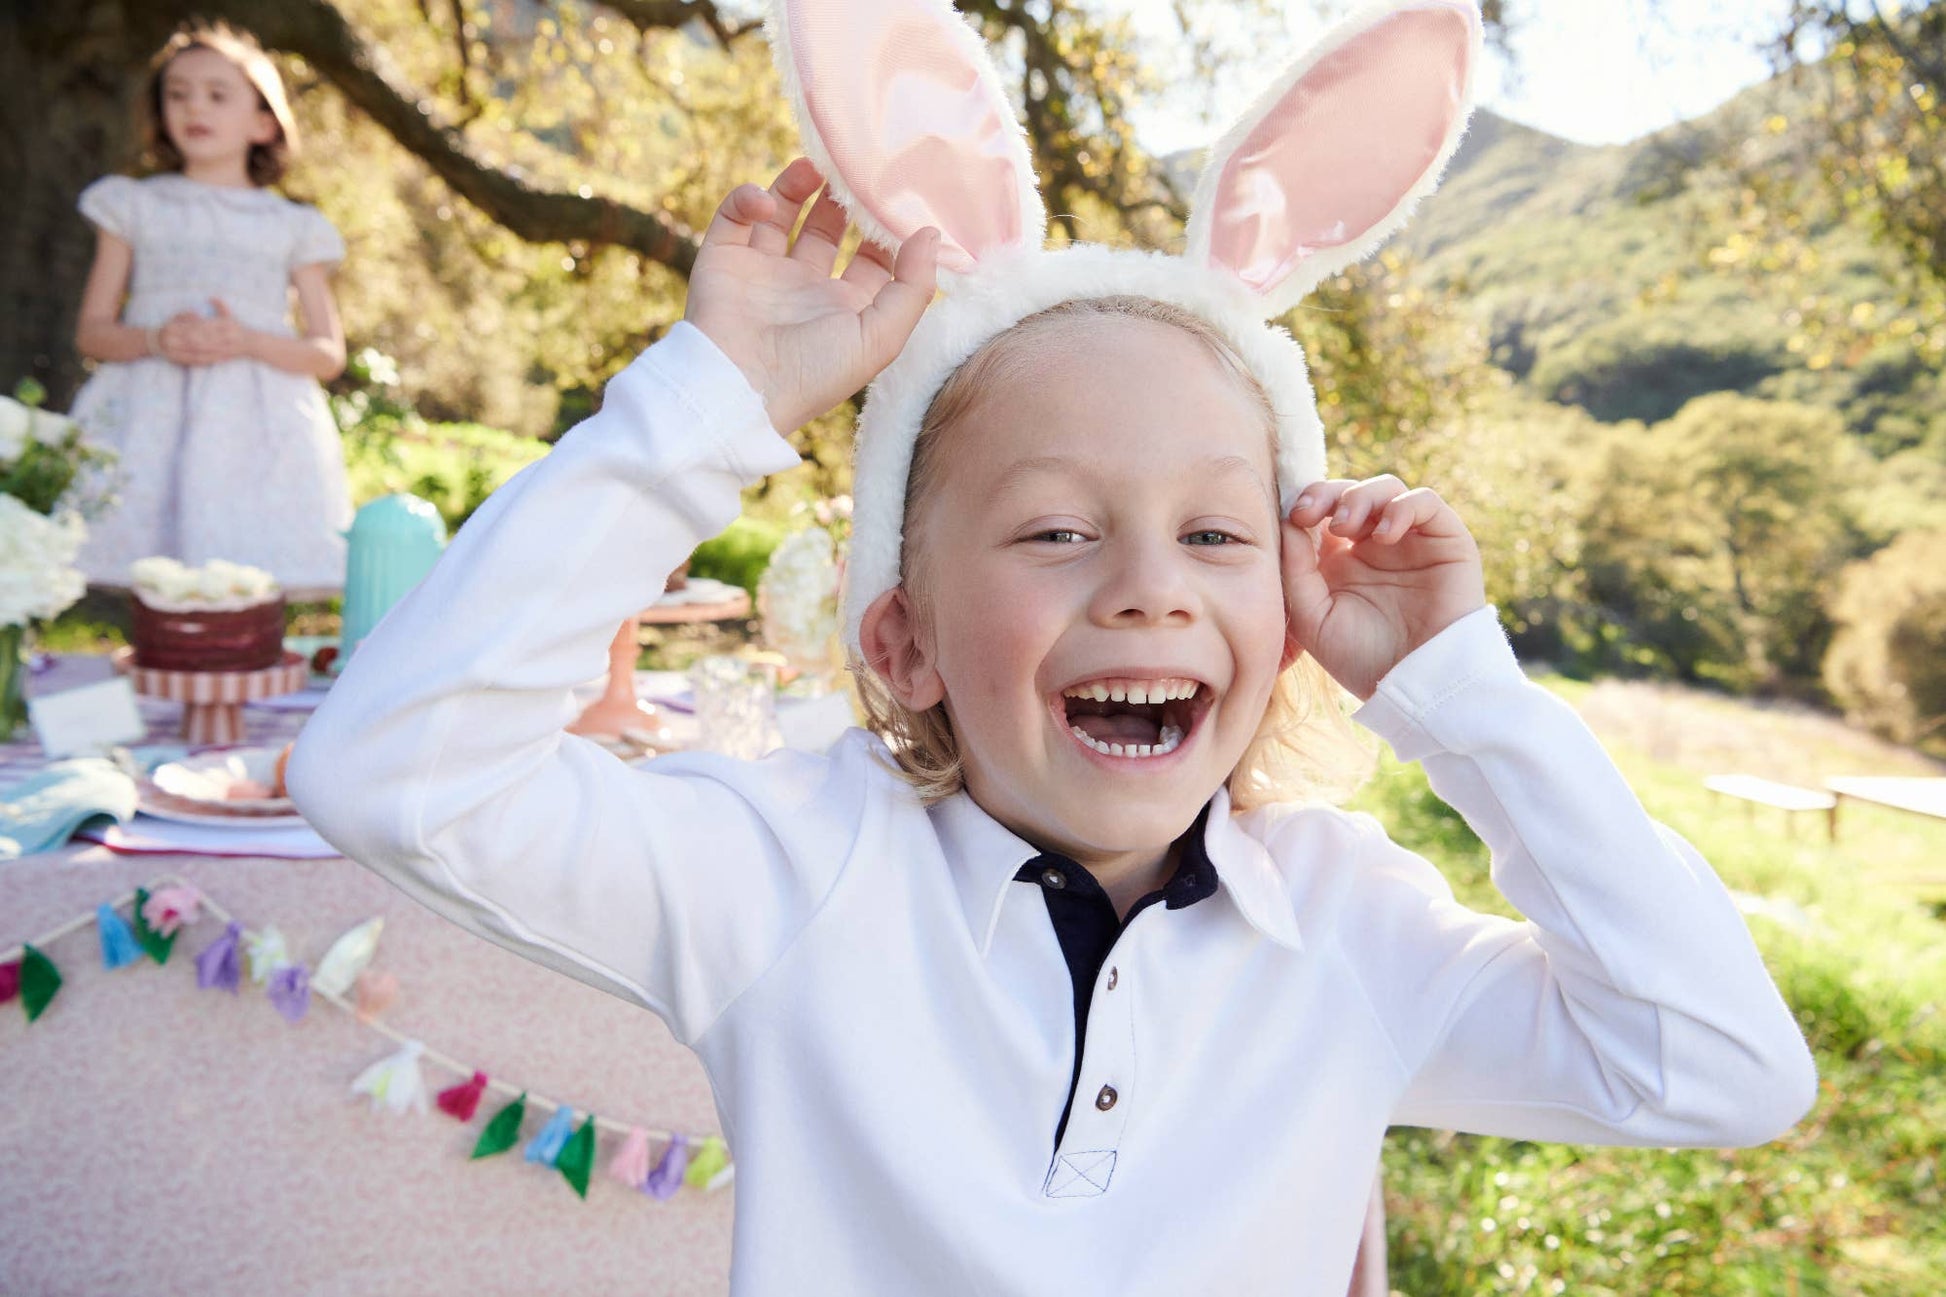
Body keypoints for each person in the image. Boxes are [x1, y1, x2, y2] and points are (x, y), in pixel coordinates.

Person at [290, 2, 1815, 1293]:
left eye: (1216, 536)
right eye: (1054, 532)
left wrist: (1458, 693)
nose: (1147, 589)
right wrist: (709, 408)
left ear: (1288, 634)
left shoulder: (1348, 927)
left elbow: (1723, 1070)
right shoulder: (785, 874)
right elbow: (392, 776)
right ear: (901, 641)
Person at [70, 22, 351, 597]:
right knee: (155, 588)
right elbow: (93, 333)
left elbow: (327, 354)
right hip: (148, 417)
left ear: (264, 121)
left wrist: (248, 341)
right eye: (178, 93)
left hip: (254, 430)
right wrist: (155, 341)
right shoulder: (132, 206)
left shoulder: (293, 226)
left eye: (218, 95)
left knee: (240, 591)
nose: (194, 107)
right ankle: (157, 668)